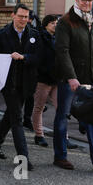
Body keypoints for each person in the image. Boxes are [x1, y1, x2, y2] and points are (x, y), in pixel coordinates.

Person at [0, 4, 40, 171]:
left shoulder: (34, 34)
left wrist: (24, 57)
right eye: (21, 16)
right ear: (13, 15)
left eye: (26, 17)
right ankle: (23, 158)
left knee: (10, 116)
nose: (24, 20)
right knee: (17, 118)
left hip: (26, 83)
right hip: (9, 83)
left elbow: (40, 57)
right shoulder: (3, 34)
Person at [54, 0, 93, 172]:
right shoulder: (66, 21)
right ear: (77, 0)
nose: (87, 3)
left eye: (90, 0)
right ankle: (60, 156)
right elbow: (62, 51)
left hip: (91, 79)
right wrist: (71, 77)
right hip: (70, 80)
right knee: (63, 116)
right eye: (84, 0)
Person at [32, 15, 58, 147]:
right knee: (39, 107)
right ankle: (39, 134)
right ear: (46, 24)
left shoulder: (58, 38)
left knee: (61, 108)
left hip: (57, 78)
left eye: (56, 23)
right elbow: (39, 57)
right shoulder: (40, 37)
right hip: (43, 78)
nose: (55, 25)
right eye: (52, 23)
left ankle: (63, 136)